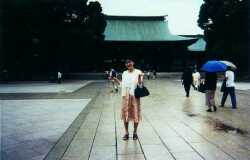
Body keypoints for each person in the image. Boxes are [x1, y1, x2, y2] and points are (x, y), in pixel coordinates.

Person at [113, 59, 144, 141]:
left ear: (133, 63)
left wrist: (140, 79)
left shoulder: (138, 72)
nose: (128, 64)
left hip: (135, 96)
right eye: (126, 63)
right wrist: (115, 79)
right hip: (125, 96)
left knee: (136, 114)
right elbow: (122, 84)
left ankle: (135, 133)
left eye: (130, 62)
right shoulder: (124, 73)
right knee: (125, 114)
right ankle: (126, 133)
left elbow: (140, 85)